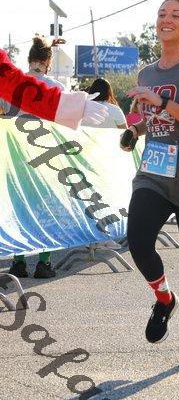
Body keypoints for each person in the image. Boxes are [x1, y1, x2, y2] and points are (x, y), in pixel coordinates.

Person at [121, 0, 179, 364]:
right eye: (162, 14)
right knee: (138, 240)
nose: (166, 19)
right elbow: (151, 119)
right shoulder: (146, 73)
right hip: (154, 173)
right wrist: (135, 131)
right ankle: (164, 299)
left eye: (176, 15)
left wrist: (160, 102)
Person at [0, 36, 106, 279]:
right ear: (48, 62)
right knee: (45, 208)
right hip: (45, 155)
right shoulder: (55, 87)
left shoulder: (11, 83)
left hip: (15, 158)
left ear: (29, 59)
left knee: (19, 207)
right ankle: (43, 262)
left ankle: (18, 262)